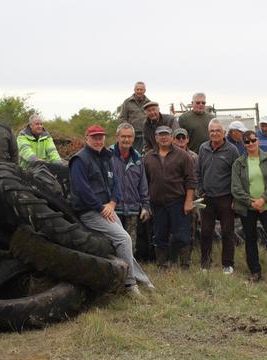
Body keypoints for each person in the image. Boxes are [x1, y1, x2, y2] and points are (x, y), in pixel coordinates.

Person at [69, 125, 154, 296]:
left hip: (108, 208)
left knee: (125, 242)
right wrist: (101, 207)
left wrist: (113, 203)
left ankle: (142, 280)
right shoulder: (79, 160)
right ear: (87, 138)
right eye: (94, 137)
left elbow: (115, 183)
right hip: (90, 212)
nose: (98, 140)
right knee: (124, 239)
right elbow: (82, 190)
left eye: (100, 137)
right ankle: (130, 285)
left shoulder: (106, 157)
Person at [231, 130, 267, 284]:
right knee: (250, 239)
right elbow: (236, 188)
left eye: (253, 140)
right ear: (243, 144)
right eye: (247, 142)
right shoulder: (239, 163)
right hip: (247, 207)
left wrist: (263, 200)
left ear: (258, 141)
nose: (251, 144)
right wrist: (252, 202)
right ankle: (255, 272)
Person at [143, 126, 196, 269]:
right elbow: (145, 182)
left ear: (171, 137)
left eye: (166, 134)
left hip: (178, 202)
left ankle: (185, 264)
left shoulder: (183, 156)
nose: (164, 137)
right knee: (160, 235)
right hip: (157, 203)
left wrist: (189, 201)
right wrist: (147, 203)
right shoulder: (148, 157)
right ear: (156, 138)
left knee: (182, 235)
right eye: (161, 135)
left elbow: (191, 180)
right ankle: (162, 265)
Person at [197, 119, 240, 274]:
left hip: (226, 198)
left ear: (224, 133)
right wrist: (201, 190)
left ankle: (227, 264)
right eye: (212, 131)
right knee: (206, 232)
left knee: (227, 232)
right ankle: (205, 263)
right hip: (207, 197)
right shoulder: (203, 148)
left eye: (218, 131)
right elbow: (198, 171)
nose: (214, 133)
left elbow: (237, 175)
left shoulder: (232, 150)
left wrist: (235, 198)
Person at [109, 123, 151, 253]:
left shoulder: (138, 158)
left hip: (132, 209)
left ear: (133, 138)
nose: (126, 140)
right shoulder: (107, 156)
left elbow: (142, 184)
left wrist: (145, 206)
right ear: (117, 137)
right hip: (112, 210)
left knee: (130, 246)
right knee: (112, 245)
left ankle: (130, 272)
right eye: (123, 136)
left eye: (129, 136)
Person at [118, 81, 150, 152]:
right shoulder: (127, 102)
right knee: (130, 153)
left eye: (141, 89)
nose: (139, 91)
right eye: (137, 89)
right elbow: (122, 118)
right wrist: (127, 130)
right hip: (131, 135)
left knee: (145, 154)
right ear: (134, 90)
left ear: (144, 90)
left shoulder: (149, 103)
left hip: (145, 134)